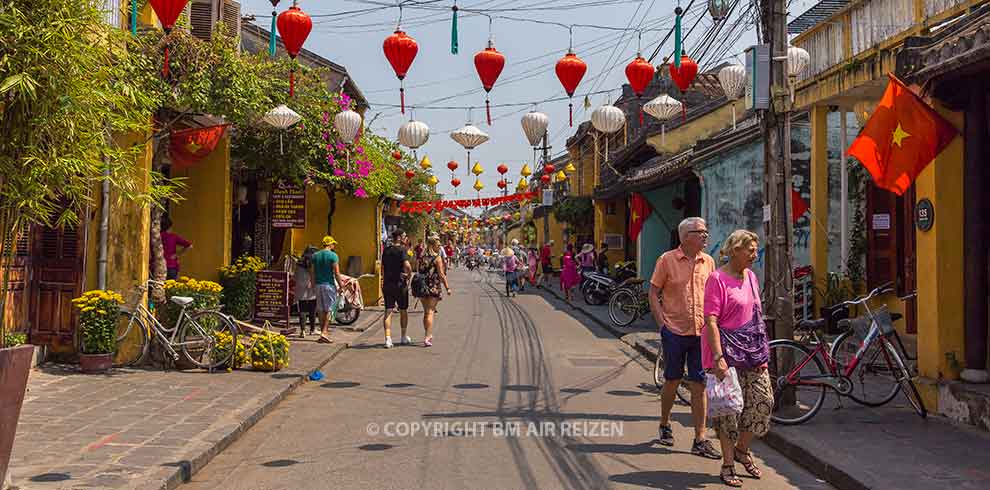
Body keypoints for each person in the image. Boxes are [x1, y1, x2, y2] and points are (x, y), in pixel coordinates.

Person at [649, 217, 721, 461]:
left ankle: (700, 438)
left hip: (701, 332)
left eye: (705, 232)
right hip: (675, 331)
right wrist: (662, 325)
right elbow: (653, 291)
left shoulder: (708, 261)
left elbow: (713, 295)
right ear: (686, 236)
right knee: (673, 379)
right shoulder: (666, 260)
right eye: (701, 232)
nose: (705, 236)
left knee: (699, 384)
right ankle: (665, 421)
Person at [703, 229, 771, 488]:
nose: (755, 254)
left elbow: (755, 315)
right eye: (750, 250)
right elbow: (710, 321)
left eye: (755, 249)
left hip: (752, 353)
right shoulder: (717, 279)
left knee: (763, 402)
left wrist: (760, 349)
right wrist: (718, 357)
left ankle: (742, 449)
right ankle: (728, 463)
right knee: (727, 412)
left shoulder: (752, 277)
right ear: (734, 251)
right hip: (726, 355)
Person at [414, 236, 451, 347]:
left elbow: (418, 271)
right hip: (433, 286)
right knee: (430, 312)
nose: (439, 247)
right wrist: (447, 287)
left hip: (422, 286)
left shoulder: (421, 257)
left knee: (426, 312)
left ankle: (427, 334)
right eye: (438, 245)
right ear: (433, 245)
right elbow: (441, 274)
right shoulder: (437, 258)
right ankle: (427, 336)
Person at [381, 231, 413, 349]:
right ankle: (403, 336)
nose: (405, 238)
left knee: (388, 310)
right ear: (399, 238)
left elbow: (383, 267)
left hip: (388, 284)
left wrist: (384, 280)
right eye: (404, 236)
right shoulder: (402, 250)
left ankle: (387, 339)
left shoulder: (387, 250)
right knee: (403, 310)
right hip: (400, 285)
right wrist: (408, 276)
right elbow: (408, 266)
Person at [310, 236, 344, 344]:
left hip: (318, 285)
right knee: (329, 309)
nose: (334, 246)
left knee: (320, 309)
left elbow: (312, 272)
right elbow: (337, 273)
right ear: (329, 244)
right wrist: (341, 285)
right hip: (329, 285)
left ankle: (323, 333)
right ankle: (324, 332)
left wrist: (313, 284)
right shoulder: (333, 256)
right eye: (333, 244)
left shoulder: (315, 256)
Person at [294, 246, 318, 338]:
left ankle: (303, 331)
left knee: (302, 309)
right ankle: (312, 329)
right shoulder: (313, 263)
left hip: (300, 286)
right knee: (312, 309)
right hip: (311, 286)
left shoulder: (298, 262)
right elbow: (313, 274)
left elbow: (295, 275)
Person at [160, 215, 192, 280]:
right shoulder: (173, 237)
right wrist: (177, 254)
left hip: (157, 266)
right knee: (170, 288)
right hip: (171, 266)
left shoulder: (155, 237)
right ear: (170, 227)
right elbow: (189, 246)